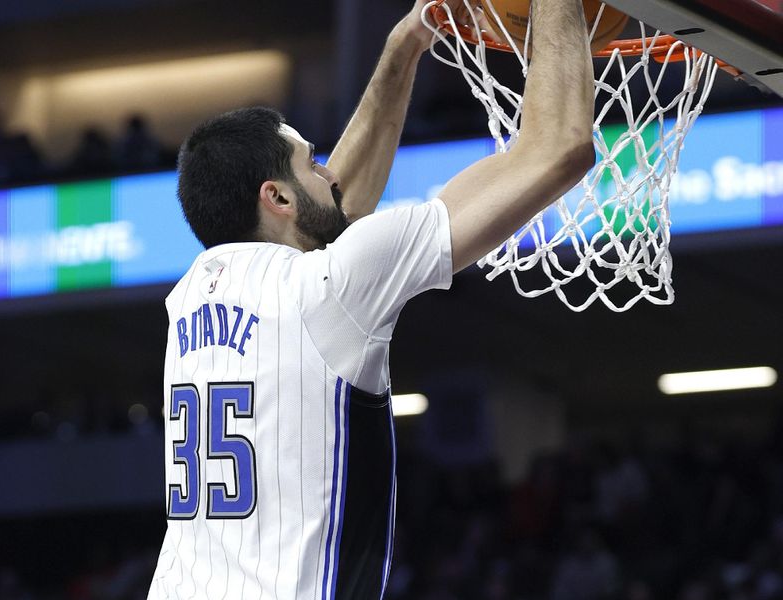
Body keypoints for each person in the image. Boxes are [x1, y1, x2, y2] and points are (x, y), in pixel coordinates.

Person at [147, 0, 594, 598]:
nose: (331, 173)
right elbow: (559, 147)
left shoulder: (190, 300)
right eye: (313, 163)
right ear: (276, 197)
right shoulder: (327, 289)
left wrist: (406, 45)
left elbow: (332, 211)